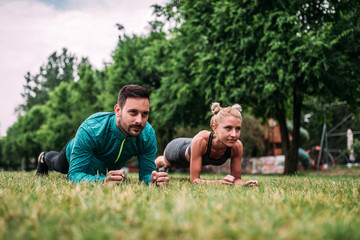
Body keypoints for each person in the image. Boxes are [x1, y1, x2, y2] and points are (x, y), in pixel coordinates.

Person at [36, 84, 169, 186]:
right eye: (133, 113)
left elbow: (146, 173)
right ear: (118, 110)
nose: (139, 120)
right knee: (58, 166)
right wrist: (103, 180)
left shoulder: (147, 134)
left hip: (105, 167)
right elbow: (74, 175)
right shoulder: (91, 129)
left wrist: (153, 179)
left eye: (144, 114)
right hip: (74, 153)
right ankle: (44, 158)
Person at [155, 102, 258, 186]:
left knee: (180, 166)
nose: (234, 134)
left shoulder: (237, 146)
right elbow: (194, 181)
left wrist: (244, 184)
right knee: (167, 164)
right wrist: (220, 183)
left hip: (194, 155)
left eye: (238, 129)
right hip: (177, 147)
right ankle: (158, 161)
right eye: (228, 128)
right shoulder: (201, 141)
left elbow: (237, 179)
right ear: (215, 128)